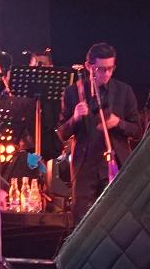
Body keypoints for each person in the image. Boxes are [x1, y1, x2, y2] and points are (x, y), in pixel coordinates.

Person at [57, 42, 141, 224]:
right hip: (85, 166)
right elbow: (62, 133)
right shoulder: (72, 92)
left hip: (116, 163)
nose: (107, 74)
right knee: (82, 220)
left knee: (117, 220)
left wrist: (118, 123)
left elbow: (137, 131)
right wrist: (75, 118)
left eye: (110, 68)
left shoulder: (124, 91)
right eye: (101, 69)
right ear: (88, 66)